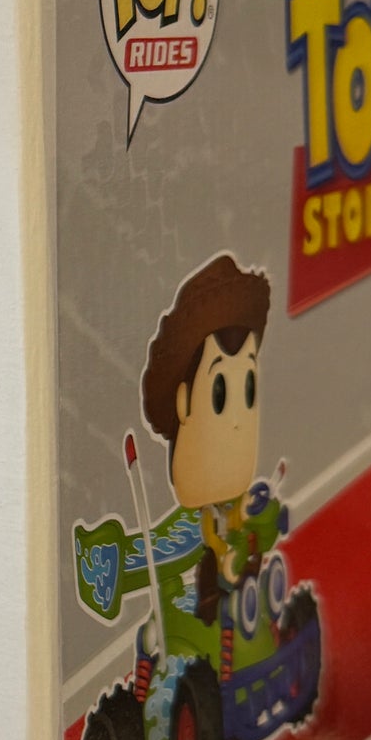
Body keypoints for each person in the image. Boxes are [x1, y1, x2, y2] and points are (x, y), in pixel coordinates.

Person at [140, 254, 271, 625]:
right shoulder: (178, 534)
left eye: (249, 389)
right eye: (219, 394)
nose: (237, 423)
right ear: (184, 403)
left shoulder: (243, 505)